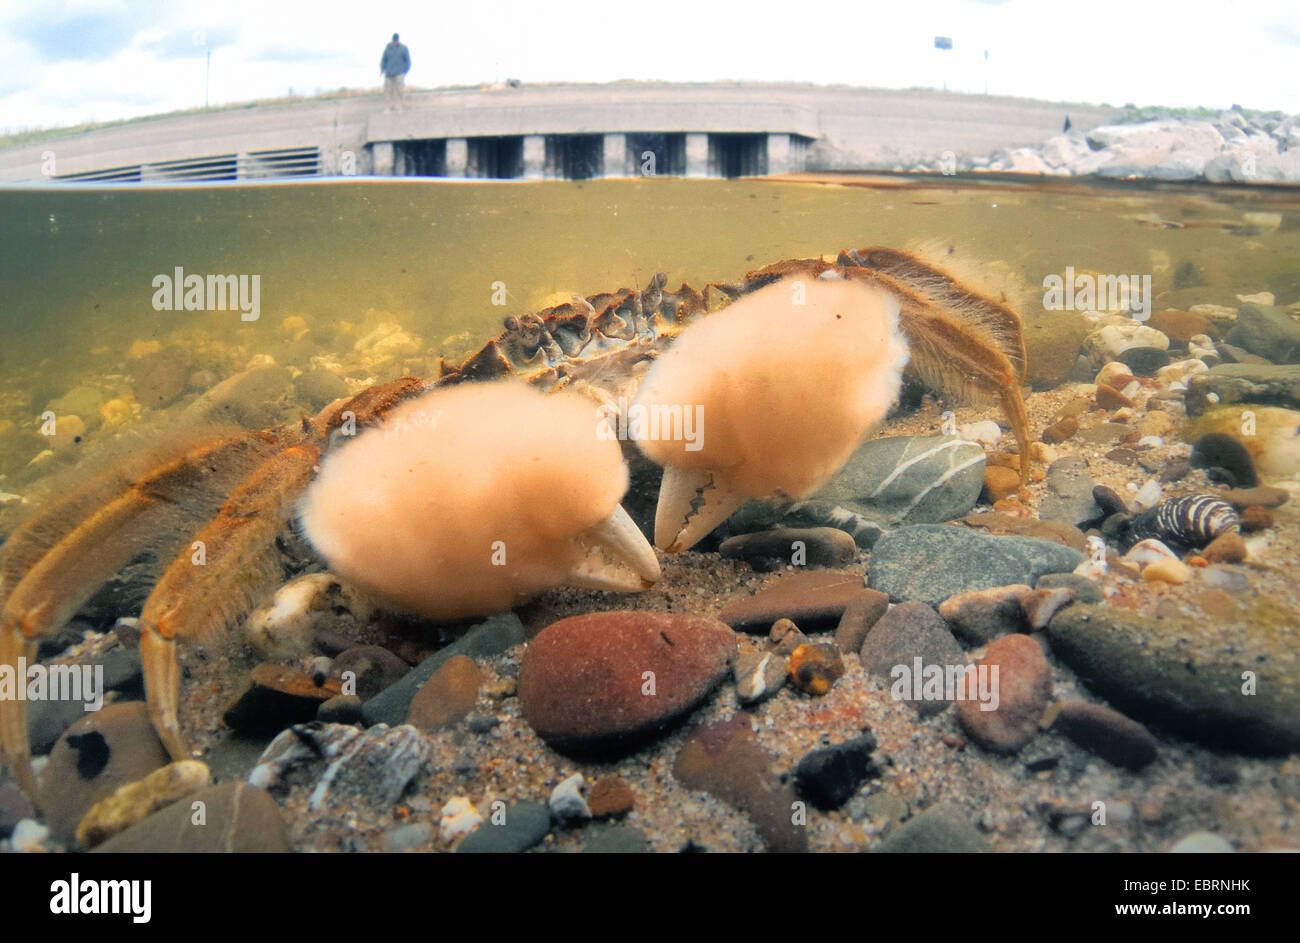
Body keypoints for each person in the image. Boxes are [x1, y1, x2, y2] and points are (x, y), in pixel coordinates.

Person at [380, 33, 410, 111]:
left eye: (396, 40)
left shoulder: (403, 48)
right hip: (389, 73)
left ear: (398, 40)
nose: (394, 42)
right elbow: (383, 60)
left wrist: (405, 71)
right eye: (394, 40)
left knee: (399, 90)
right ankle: (389, 106)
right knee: (388, 91)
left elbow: (408, 61)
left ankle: (400, 106)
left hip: (399, 73)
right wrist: (382, 69)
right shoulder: (388, 48)